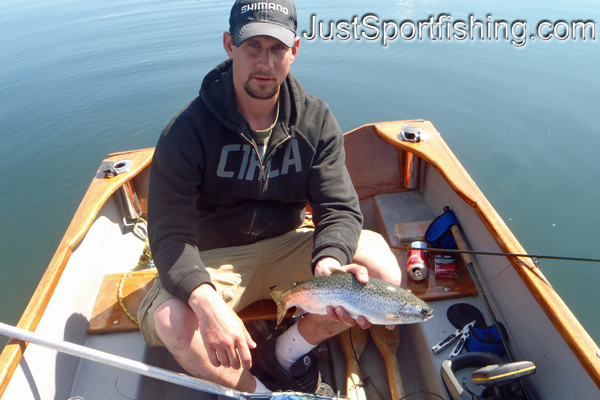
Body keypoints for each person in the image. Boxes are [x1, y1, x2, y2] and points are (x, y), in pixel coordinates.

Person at [137, 0, 401, 394]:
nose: (265, 62)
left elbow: (339, 207)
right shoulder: (186, 131)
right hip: (212, 259)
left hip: (285, 246)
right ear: (229, 45)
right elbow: (169, 234)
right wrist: (206, 304)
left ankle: (284, 353)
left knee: (383, 270)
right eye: (252, 46)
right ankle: (261, 393)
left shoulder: (315, 120)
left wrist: (330, 261)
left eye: (277, 48)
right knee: (174, 321)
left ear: (294, 50)